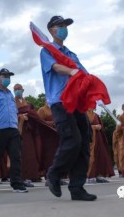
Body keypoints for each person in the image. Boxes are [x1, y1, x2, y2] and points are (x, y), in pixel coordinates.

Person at [40, 15, 96, 201]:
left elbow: (84, 74)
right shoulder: (47, 51)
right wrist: (72, 71)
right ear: (51, 30)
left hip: (77, 102)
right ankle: (54, 174)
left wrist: (94, 86)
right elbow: (56, 67)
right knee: (72, 139)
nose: (64, 28)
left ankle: (77, 188)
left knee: (84, 143)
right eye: (60, 25)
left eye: (66, 26)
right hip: (60, 101)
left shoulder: (71, 54)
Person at [86, 109, 114, 183]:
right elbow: (82, 126)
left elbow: (101, 125)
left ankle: (99, 175)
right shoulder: (84, 114)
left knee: (100, 155)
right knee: (92, 156)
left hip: (98, 138)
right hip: (90, 139)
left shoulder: (96, 115)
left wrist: (100, 127)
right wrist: (94, 127)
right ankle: (90, 176)